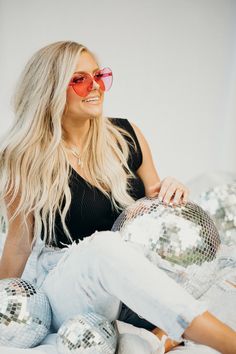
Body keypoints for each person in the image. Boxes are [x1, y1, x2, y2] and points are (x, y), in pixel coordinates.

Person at [0, 41, 235, 354]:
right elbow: (18, 243)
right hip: (77, 287)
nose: (95, 87)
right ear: (50, 89)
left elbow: (154, 205)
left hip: (135, 287)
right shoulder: (24, 157)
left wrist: (172, 187)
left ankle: (156, 337)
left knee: (228, 265)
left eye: (99, 76)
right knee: (104, 246)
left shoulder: (126, 135)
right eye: (80, 80)